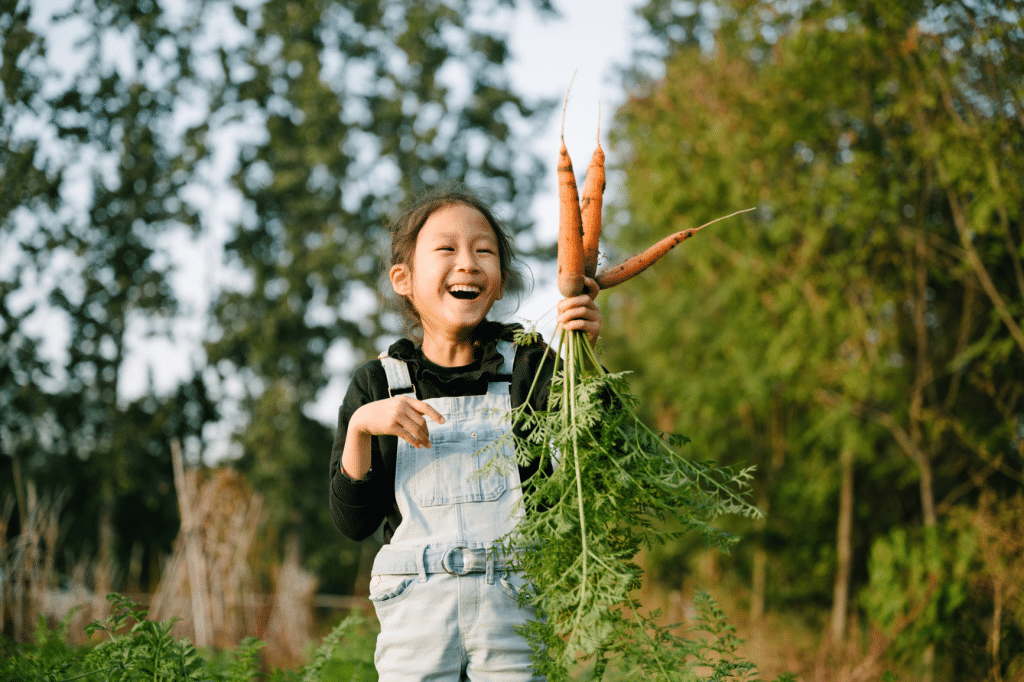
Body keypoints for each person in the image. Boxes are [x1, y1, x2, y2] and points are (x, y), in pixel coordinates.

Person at [329, 185, 601, 682]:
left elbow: (597, 461)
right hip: (415, 619)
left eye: (484, 251)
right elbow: (353, 522)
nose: (468, 263)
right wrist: (362, 427)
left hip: (514, 611)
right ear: (403, 279)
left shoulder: (531, 367)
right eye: (447, 248)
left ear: (499, 285)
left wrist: (585, 358)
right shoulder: (377, 385)